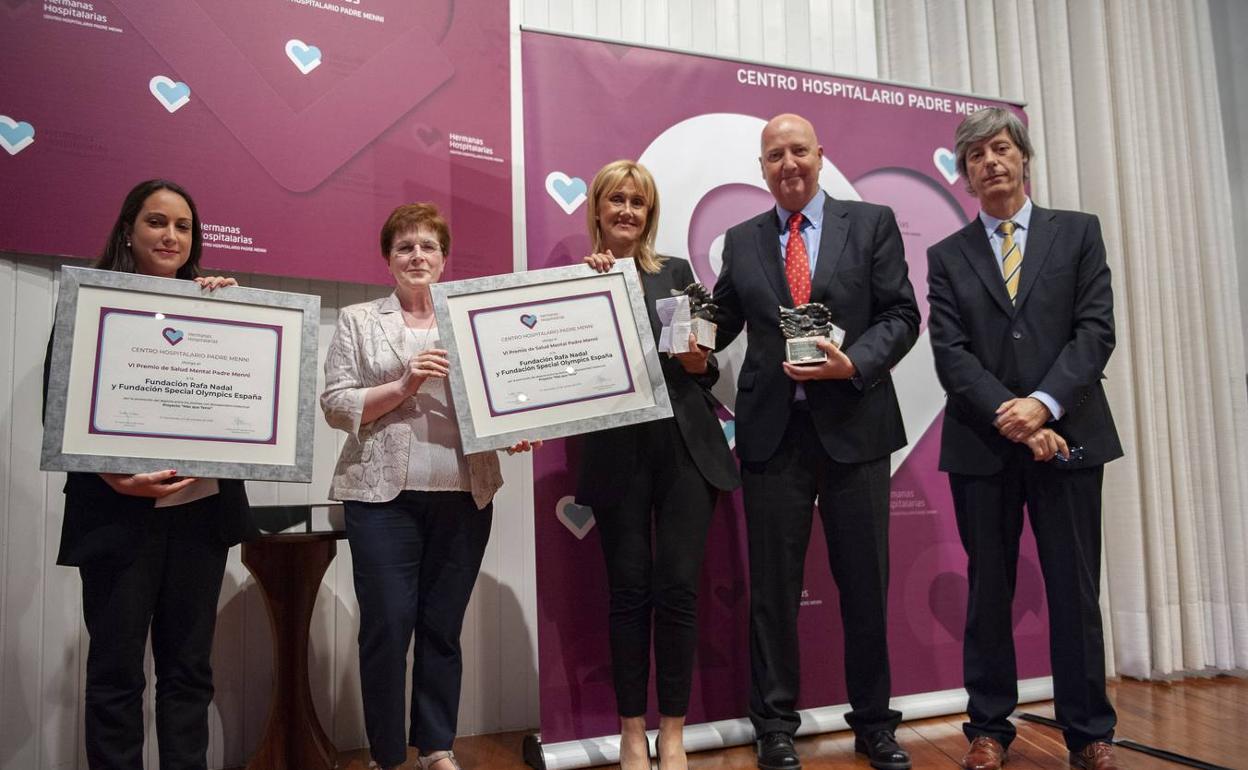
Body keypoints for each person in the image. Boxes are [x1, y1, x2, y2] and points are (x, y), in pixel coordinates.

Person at [711, 114, 920, 770]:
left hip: (855, 428)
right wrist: (655, 305)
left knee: (865, 585)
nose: (788, 163)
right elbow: (716, 324)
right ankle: (774, 726)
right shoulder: (740, 241)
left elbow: (901, 314)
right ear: (763, 167)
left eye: (798, 150)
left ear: (820, 156)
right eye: (774, 155)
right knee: (773, 592)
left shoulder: (873, 223)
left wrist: (852, 361)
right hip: (773, 437)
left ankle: (876, 724)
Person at [926, 107, 1123, 770]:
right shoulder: (946, 257)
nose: (992, 162)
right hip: (982, 446)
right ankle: (987, 728)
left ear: (1025, 157)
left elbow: (1094, 333)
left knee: (1075, 590)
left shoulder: (1078, 234)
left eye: (1002, 148)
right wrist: (1009, 416)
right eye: (977, 155)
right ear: (965, 175)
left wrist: (1041, 407)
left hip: (1071, 436)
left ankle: (1089, 732)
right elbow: (951, 354)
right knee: (988, 590)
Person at [42, 178, 255, 770]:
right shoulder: (88, 303)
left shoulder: (216, 303)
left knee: (189, 674)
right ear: (128, 231)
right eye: (157, 222)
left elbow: (244, 395)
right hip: (116, 517)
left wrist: (232, 313)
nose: (170, 235)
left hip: (199, 517)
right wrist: (114, 479)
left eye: (183, 226)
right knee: (115, 675)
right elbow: (59, 409)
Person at [320, 203, 538, 770]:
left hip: (466, 495)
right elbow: (337, 402)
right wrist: (403, 383)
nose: (417, 255)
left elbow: (512, 394)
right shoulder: (358, 320)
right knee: (388, 625)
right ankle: (388, 756)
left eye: (428, 246)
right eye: (404, 247)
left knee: (442, 627)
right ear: (388, 259)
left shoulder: (474, 319)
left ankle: (436, 747)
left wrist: (520, 428)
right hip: (380, 496)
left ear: (444, 258)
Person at [575, 160, 740, 770]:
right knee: (628, 593)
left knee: (676, 590)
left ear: (650, 213)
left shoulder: (676, 274)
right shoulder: (574, 282)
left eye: (637, 202)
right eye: (615, 199)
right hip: (617, 452)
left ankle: (672, 732)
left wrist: (699, 356)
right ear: (596, 207)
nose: (626, 210)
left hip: (684, 450)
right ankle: (629, 731)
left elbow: (708, 366)